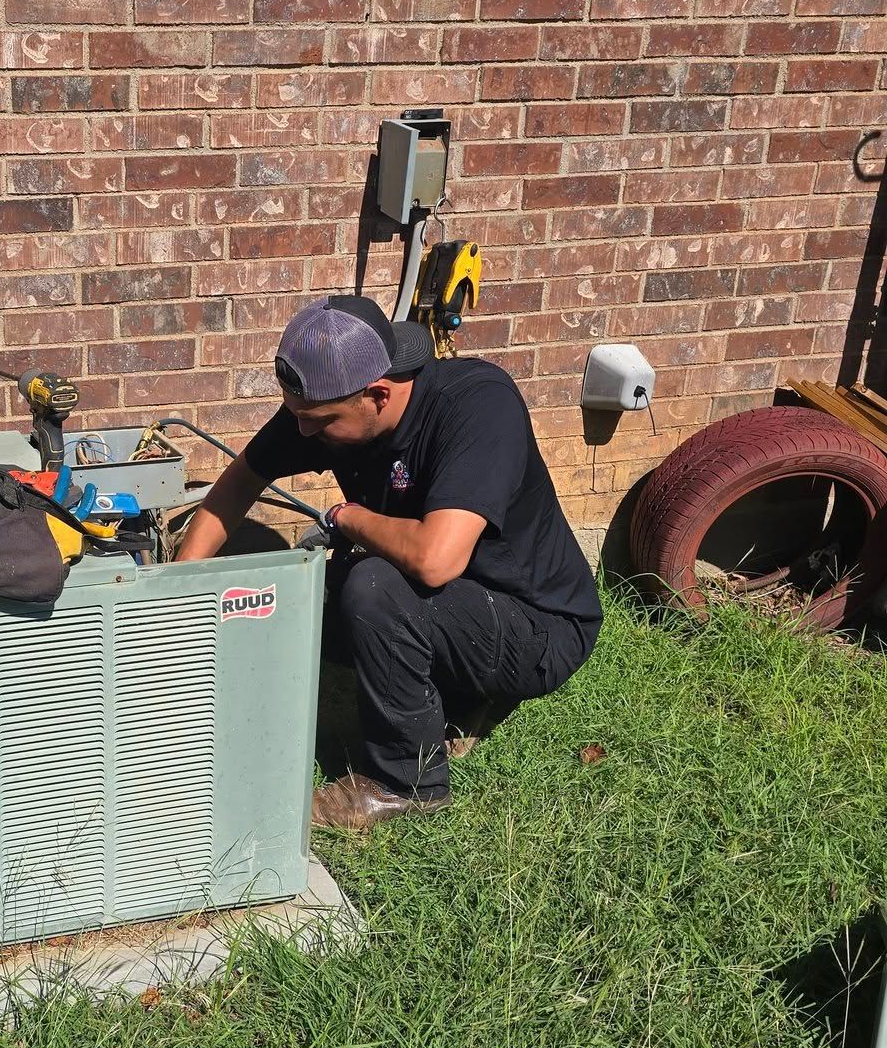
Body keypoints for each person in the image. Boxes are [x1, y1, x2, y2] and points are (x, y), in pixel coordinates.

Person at [174, 295, 601, 830]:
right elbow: (240, 481)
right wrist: (179, 587)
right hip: (459, 604)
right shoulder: (330, 402)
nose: (301, 433)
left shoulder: (478, 406)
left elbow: (434, 560)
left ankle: (406, 784)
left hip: (539, 624)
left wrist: (347, 518)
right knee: (302, 600)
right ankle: (456, 696)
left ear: (378, 394)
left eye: (317, 423)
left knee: (372, 587)